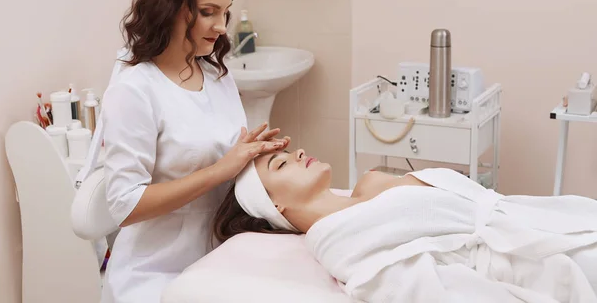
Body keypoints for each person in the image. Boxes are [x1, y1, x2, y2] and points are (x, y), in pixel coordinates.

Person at [99, 0, 290, 303]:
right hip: (155, 272)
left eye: (225, 13)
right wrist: (220, 170)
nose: (220, 26)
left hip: (217, 259)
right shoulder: (135, 90)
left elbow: (226, 157)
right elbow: (124, 206)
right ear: (170, 8)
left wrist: (257, 156)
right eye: (208, 12)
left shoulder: (217, 74)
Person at [212, 148, 597, 303]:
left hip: (554, 218)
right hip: (546, 263)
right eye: (281, 165)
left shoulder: (370, 183)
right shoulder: (346, 245)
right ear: (274, 205)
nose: (297, 152)